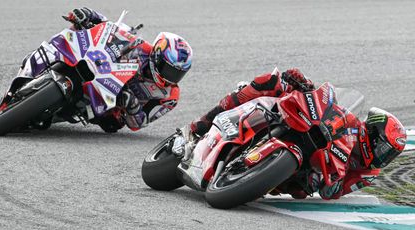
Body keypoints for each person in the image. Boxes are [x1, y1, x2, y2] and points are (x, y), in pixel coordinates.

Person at [172, 67, 407, 200]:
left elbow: (334, 191)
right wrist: (303, 83)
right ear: (372, 133)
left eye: (389, 155)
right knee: (272, 83)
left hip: (300, 175)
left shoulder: (368, 173)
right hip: (298, 128)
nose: (382, 156)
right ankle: (198, 127)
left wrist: (325, 182)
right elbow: (325, 101)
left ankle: (245, 174)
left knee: (301, 189)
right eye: (383, 148)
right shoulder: (352, 122)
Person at [18, 7, 193, 133]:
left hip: (112, 107)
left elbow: (139, 123)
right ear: (157, 55)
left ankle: (55, 111)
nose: (171, 77)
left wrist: (132, 106)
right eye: (168, 69)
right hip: (100, 70)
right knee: (72, 37)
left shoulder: (170, 97)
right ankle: (34, 68)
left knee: (112, 123)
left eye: (178, 74)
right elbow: (109, 27)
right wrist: (89, 15)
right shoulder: (141, 48)